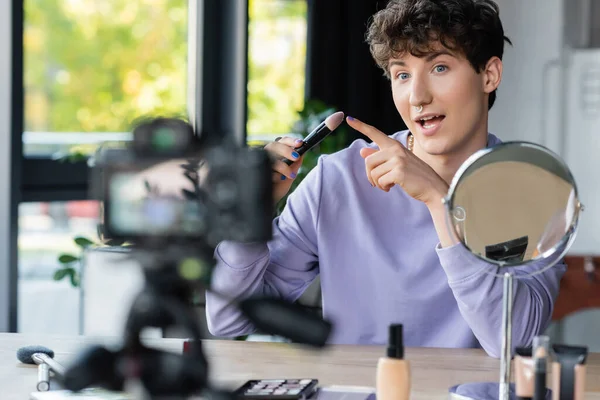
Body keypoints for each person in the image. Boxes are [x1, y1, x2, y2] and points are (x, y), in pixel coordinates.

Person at [205, 0, 566, 358]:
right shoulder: (338, 179)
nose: (417, 97)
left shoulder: (530, 191)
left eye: (439, 68)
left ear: (489, 75)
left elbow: (513, 340)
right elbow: (228, 318)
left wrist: (441, 205)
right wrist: (250, 217)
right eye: (402, 74)